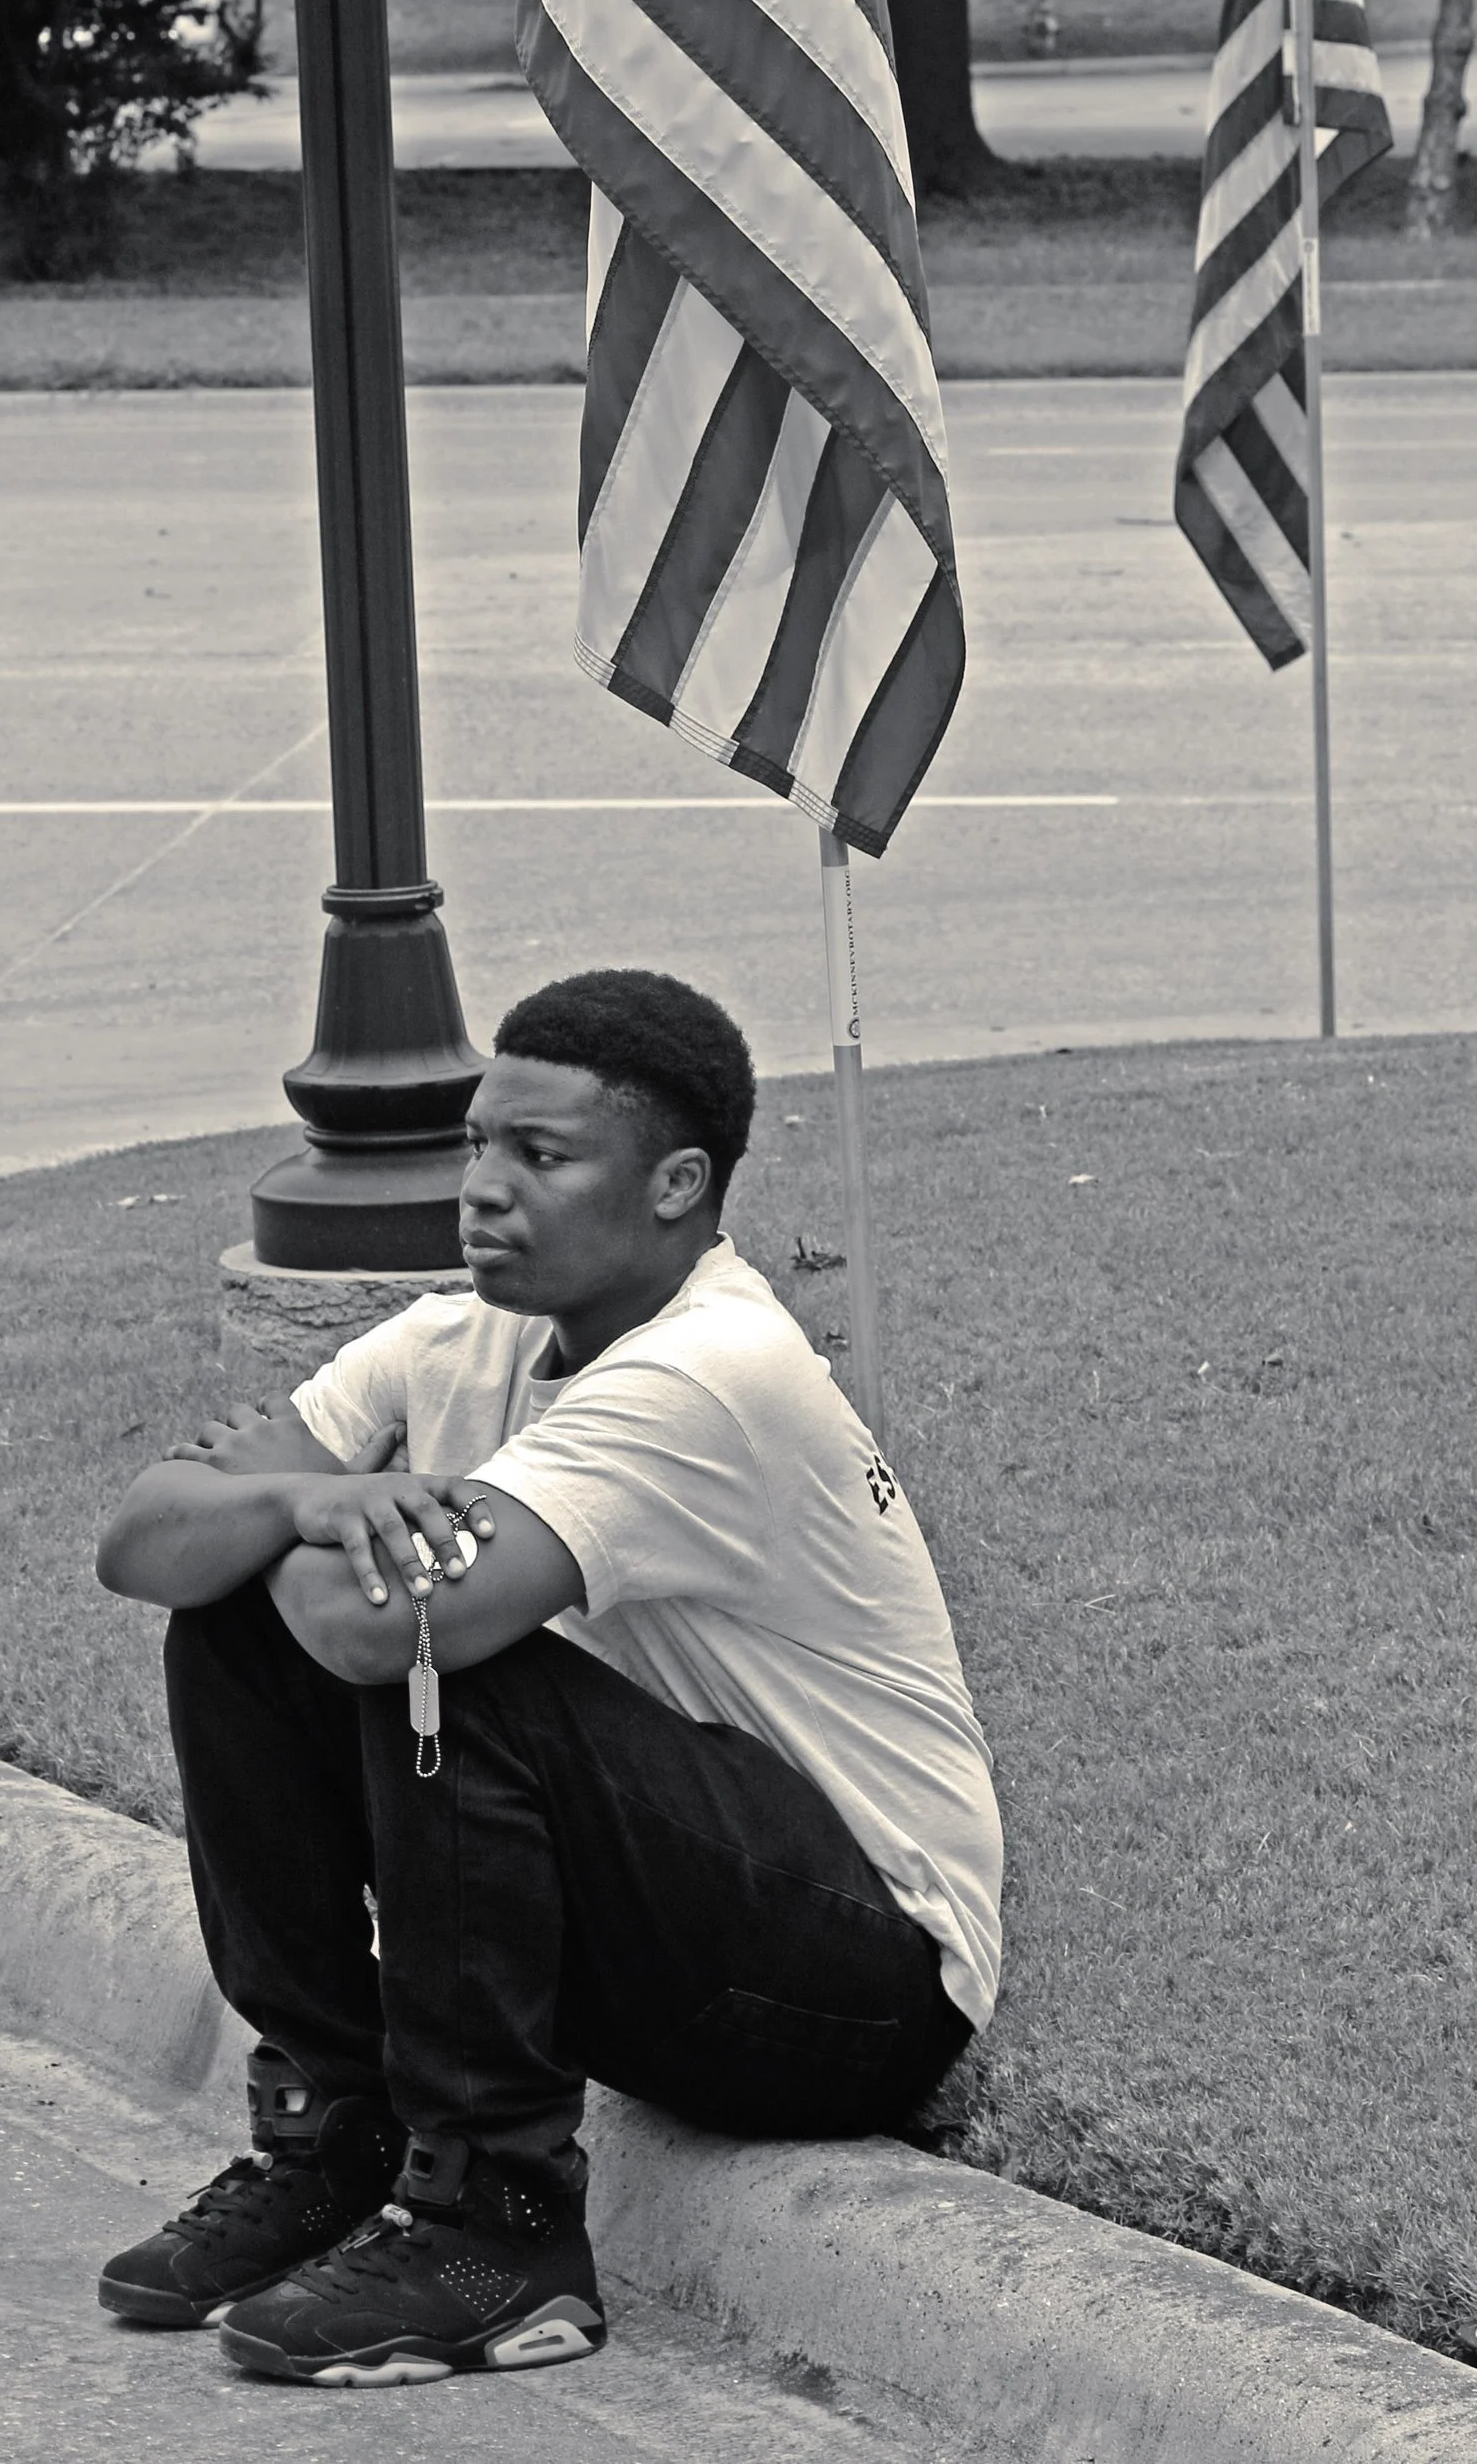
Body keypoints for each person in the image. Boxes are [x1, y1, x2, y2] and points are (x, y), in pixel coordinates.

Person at [93, 967, 1002, 2390]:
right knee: (235, 1621)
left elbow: (376, 1630)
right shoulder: (460, 1337)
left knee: (455, 1658)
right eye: (474, 1142)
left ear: (676, 1184)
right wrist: (288, 1513)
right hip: (662, 1924)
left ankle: (498, 2228)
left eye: (542, 1154)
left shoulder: (712, 1369)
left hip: (859, 1979)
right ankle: (345, 2134)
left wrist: (277, 1507)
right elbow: (141, 1539)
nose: (483, 1188)